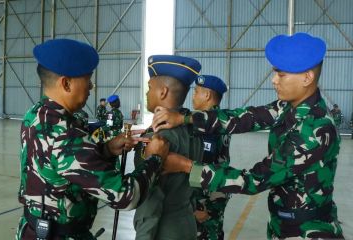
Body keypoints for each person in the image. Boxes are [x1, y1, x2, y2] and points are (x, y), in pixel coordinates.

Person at [152, 33, 344, 239]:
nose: (273, 80)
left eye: (281, 74)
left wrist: (186, 166)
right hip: (285, 223)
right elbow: (244, 118)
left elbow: (254, 180)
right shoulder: (287, 107)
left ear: (307, 77)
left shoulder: (313, 130)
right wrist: (185, 118)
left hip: (308, 231)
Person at [16, 39, 169, 240]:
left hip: (32, 229)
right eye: (87, 79)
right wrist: (156, 158)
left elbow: (62, 164)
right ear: (66, 83)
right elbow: (125, 196)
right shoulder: (65, 133)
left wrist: (105, 149)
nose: (91, 86)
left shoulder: (35, 115)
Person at [133, 55, 203, 240]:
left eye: (149, 88)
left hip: (163, 229)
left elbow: (150, 200)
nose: (147, 93)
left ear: (163, 92)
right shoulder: (193, 130)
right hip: (186, 224)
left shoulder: (157, 137)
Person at [191, 75, 231, 240]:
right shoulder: (219, 119)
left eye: (196, 91)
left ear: (207, 95)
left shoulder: (206, 125)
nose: (193, 96)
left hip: (207, 196)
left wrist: (196, 205)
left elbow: (201, 166)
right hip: (218, 189)